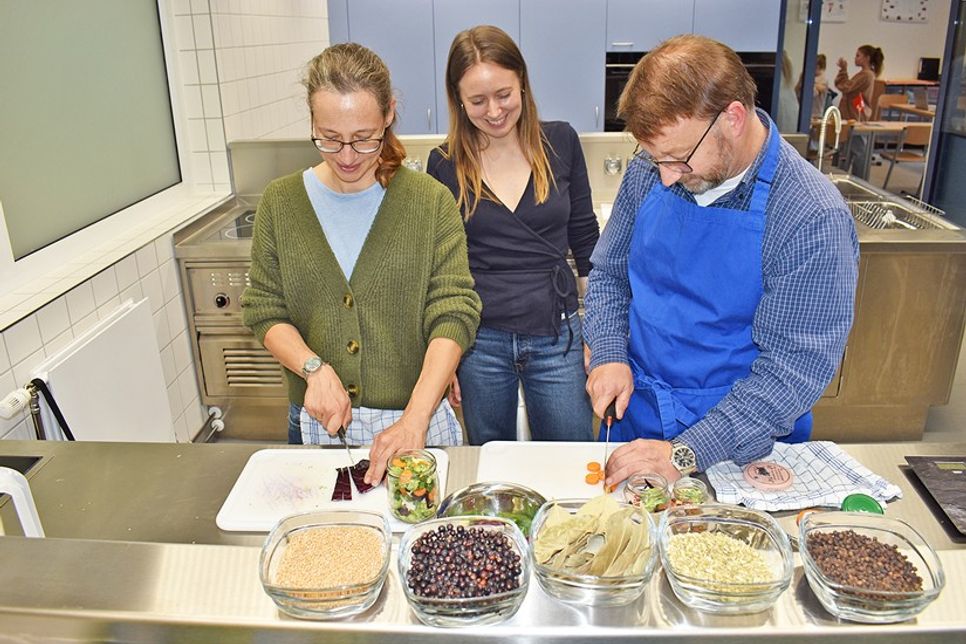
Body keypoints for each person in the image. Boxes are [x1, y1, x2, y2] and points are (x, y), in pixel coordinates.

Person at [583, 35, 859, 487]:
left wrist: (688, 451)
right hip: (640, 413)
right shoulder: (650, 170)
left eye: (679, 159)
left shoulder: (809, 216)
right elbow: (611, 276)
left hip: (740, 443)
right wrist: (610, 354)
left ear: (732, 117)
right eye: (656, 159)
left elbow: (792, 371)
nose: (666, 176)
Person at [241, 43, 482, 484]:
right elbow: (264, 309)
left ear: (389, 114)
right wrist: (312, 368)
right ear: (312, 122)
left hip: (417, 419)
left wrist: (416, 417)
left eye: (364, 137)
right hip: (315, 421)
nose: (348, 156)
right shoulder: (281, 203)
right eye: (329, 138)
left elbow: (454, 312)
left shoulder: (429, 202)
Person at [427, 25, 600, 445]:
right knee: (490, 457)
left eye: (503, 94)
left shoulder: (560, 141)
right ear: (457, 99)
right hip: (478, 341)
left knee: (569, 456)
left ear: (522, 81)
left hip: (556, 334)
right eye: (477, 100)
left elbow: (585, 239)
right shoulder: (445, 164)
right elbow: (438, 271)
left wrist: (597, 333)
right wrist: (443, 358)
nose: (494, 111)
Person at [835, 45, 885, 178]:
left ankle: (859, 182)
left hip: (856, 117)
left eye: (858, 55)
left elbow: (845, 87)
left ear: (867, 58)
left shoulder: (866, 75)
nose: (855, 58)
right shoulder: (863, 74)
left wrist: (843, 70)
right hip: (852, 116)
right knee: (847, 151)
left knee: (858, 153)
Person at [797, 53, 830, 118]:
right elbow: (797, 92)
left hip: (816, 115)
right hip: (802, 112)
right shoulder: (806, 76)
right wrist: (801, 81)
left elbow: (812, 94)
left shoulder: (823, 79)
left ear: (818, 66)